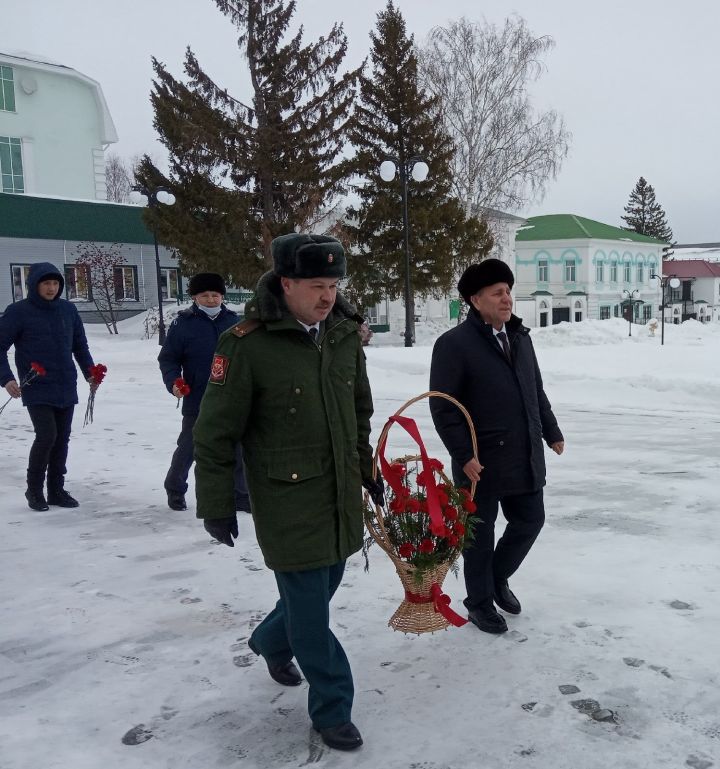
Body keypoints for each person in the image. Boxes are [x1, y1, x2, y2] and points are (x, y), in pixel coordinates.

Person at [193, 233, 381, 752]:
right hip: (285, 498)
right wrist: (214, 503)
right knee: (312, 614)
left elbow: (359, 411)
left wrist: (367, 470)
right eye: (317, 285)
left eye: (334, 284)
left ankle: (268, 640)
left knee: (326, 585)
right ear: (286, 283)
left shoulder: (342, 334)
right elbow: (214, 433)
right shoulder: (246, 344)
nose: (328, 296)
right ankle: (332, 708)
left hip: (340, 491)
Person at [429, 258, 564, 635]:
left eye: (508, 291)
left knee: (530, 520)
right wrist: (464, 455)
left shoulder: (520, 338)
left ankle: (497, 577)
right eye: (497, 293)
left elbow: (535, 391)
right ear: (475, 299)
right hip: (481, 461)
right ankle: (479, 603)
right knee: (480, 536)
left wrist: (551, 431)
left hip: (523, 455)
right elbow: (443, 406)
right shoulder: (453, 345)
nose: (507, 299)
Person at [0, 262, 96, 511]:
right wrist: (7, 378)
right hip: (36, 383)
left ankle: (56, 490)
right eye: (46, 283)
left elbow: (79, 345)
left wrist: (90, 373)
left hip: (65, 382)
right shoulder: (18, 312)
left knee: (61, 439)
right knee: (46, 436)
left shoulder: (68, 310)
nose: (52, 288)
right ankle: (34, 490)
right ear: (35, 285)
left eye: (55, 283)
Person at [158, 272, 250, 513]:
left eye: (215, 295)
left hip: (232, 397)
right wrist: (174, 383)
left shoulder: (234, 322)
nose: (210, 300)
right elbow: (168, 359)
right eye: (204, 295)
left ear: (222, 296)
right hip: (198, 396)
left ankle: (241, 494)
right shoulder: (183, 324)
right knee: (191, 445)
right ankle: (175, 487)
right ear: (195, 297)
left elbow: (248, 357)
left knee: (238, 447)